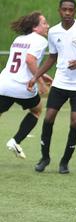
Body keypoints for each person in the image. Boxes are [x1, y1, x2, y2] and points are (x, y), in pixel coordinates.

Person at [28, 0, 76, 174]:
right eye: (64, 9)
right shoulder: (53, 32)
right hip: (60, 83)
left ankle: (65, 162)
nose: (67, 12)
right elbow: (52, 57)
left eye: (71, 10)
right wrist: (36, 76)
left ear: (75, 11)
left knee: (75, 122)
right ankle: (44, 158)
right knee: (48, 118)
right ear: (59, 10)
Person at [1, 11, 52, 159]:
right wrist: (40, 82)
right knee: (36, 110)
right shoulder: (41, 40)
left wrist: (41, 73)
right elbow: (30, 60)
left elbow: (23, 63)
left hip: (4, 83)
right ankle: (15, 141)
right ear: (35, 28)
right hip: (23, 87)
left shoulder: (19, 39)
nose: (47, 25)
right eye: (44, 23)